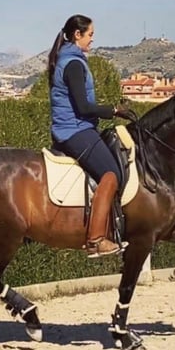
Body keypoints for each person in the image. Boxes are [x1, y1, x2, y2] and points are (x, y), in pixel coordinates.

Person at [47, 14, 135, 258]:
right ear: (78, 35)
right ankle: (96, 238)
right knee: (112, 173)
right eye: (90, 35)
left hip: (73, 128)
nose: (92, 40)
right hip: (74, 130)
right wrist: (114, 110)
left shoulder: (67, 59)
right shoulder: (73, 64)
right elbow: (84, 107)